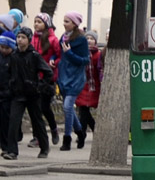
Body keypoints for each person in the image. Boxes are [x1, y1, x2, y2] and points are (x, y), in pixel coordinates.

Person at [3, 28, 53, 160]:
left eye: (23, 37)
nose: (20, 40)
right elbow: (8, 73)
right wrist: (10, 86)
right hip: (18, 94)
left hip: (32, 95)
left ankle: (44, 147)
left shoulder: (34, 55)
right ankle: (12, 151)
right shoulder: (13, 55)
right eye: (18, 37)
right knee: (13, 122)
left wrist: (39, 87)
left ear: (29, 39)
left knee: (37, 122)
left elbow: (48, 72)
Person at [57, 11, 90, 151]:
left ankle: (67, 139)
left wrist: (69, 53)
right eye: (64, 21)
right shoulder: (63, 38)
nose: (64, 24)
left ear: (75, 24)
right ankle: (80, 132)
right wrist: (54, 59)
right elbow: (60, 56)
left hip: (75, 78)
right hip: (64, 76)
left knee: (67, 107)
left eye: (67, 21)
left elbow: (85, 60)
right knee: (69, 108)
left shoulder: (81, 40)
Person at [31, 13, 61, 146]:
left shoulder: (53, 39)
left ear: (46, 24)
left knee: (44, 107)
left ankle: (54, 129)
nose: (36, 24)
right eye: (35, 21)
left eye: (39, 22)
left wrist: (54, 61)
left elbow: (60, 56)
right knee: (34, 108)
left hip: (48, 78)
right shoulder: (32, 38)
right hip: (34, 78)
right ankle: (37, 136)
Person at [76, 31, 103, 144]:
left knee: (86, 109)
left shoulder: (98, 54)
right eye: (87, 38)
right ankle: (83, 132)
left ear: (95, 41)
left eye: (91, 38)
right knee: (83, 108)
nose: (89, 40)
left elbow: (100, 69)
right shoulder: (81, 53)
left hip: (95, 85)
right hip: (83, 84)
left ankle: (93, 130)